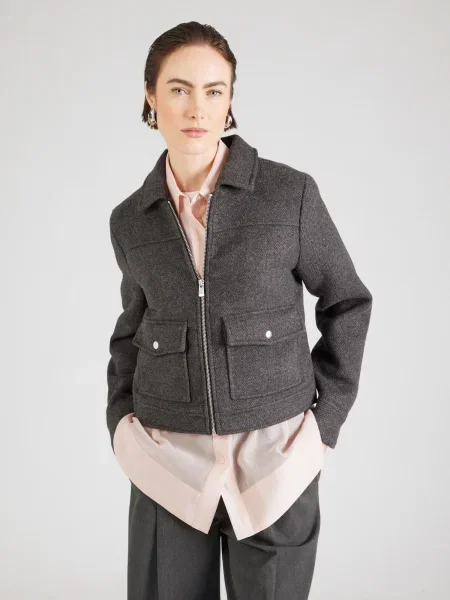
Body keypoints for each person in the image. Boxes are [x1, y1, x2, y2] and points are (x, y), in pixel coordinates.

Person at [106, 21, 373, 600]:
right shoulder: (130, 220)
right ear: (150, 95)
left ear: (230, 99)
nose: (196, 108)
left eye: (214, 90)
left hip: (276, 465)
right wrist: (121, 424)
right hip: (167, 468)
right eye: (179, 89)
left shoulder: (289, 195)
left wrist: (324, 425)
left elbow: (348, 301)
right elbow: (130, 330)